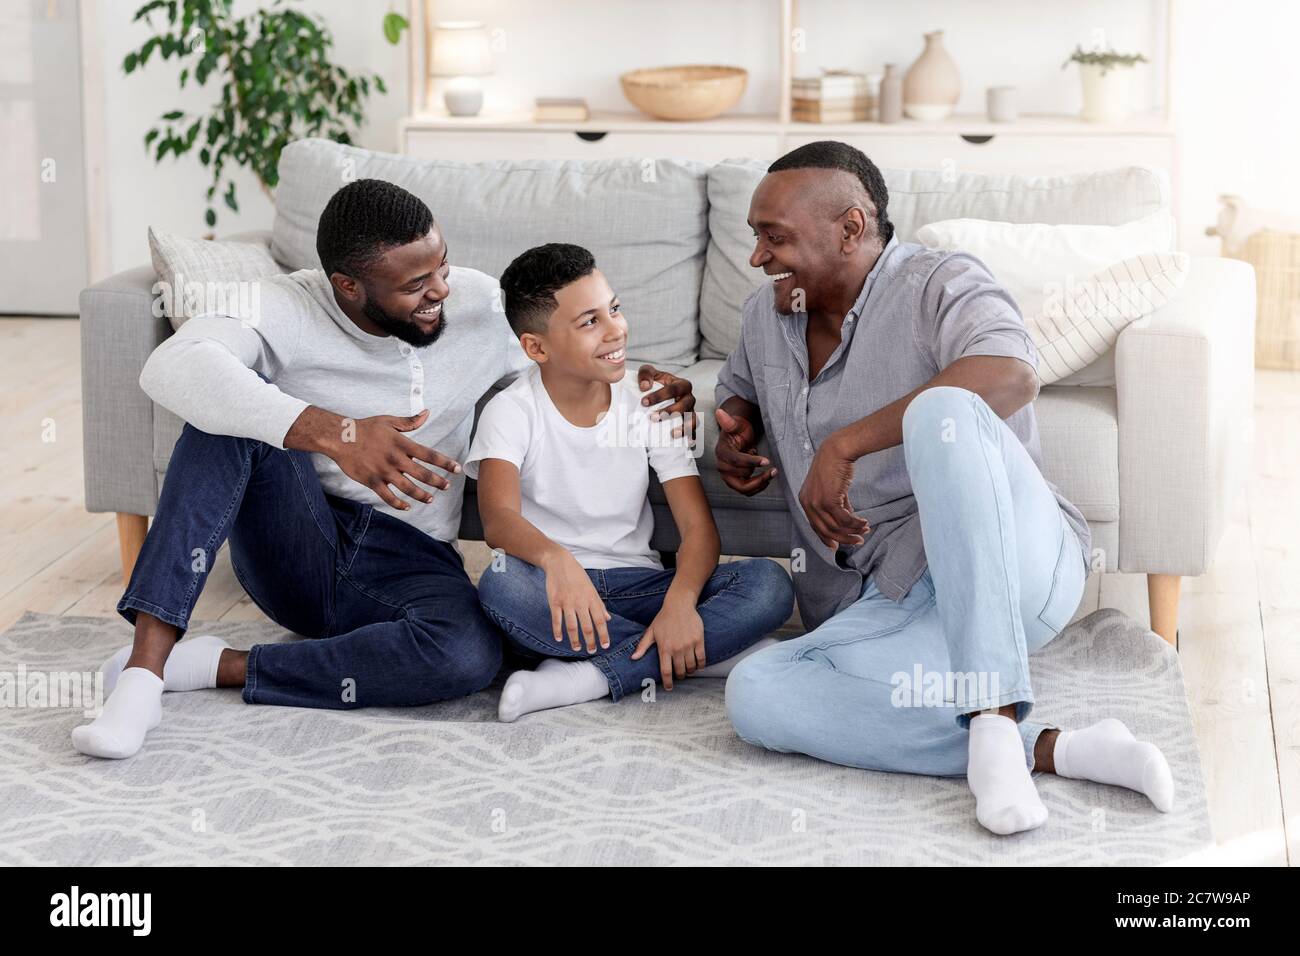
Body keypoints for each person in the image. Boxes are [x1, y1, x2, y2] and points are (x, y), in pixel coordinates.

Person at [72, 180, 698, 759]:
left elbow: (562, 361)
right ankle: (144, 673)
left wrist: (648, 382)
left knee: (468, 657)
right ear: (348, 286)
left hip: (414, 558)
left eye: (442, 265)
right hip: (301, 540)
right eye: (415, 285)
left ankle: (222, 666)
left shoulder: (479, 305)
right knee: (221, 413)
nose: (442, 292)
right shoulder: (281, 306)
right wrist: (336, 433)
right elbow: (170, 367)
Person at [717, 142, 1174, 835]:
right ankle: (1060, 749)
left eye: (773, 236)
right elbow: (741, 399)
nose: (758, 256)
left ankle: (991, 715)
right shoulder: (764, 316)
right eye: (755, 236)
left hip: (1011, 564)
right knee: (755, 694)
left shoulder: (938, 282)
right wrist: (734, 437)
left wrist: (844, 444)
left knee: (944, 409)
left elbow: (1012, 373)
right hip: (888, 603)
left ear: (849, 227)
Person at [467, 243, 794, 722]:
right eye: (589, 322)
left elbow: (698, 531)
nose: (615, 329)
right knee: (499, 585)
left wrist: (681, 602)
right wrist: (557, 561)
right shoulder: (511, 411)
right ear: (537, 347)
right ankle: (704, 655)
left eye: (614, 309)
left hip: (640, 586)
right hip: (555, 593)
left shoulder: (647, 402)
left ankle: (588, 676)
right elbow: (498, 519)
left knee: (768, 585)